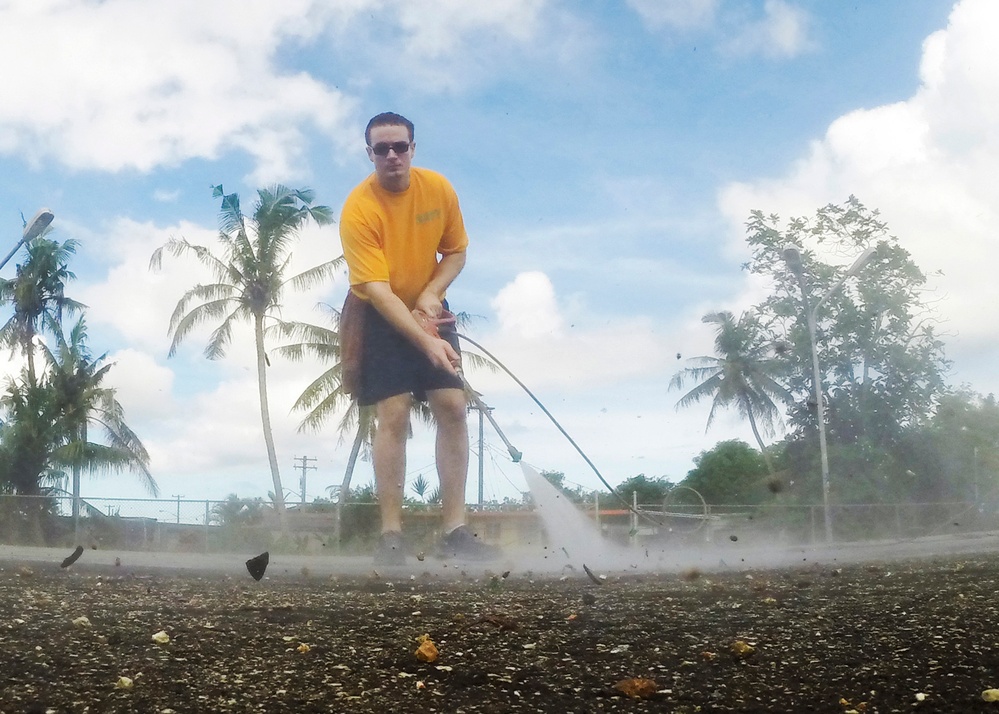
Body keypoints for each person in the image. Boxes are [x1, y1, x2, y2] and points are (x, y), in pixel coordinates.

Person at [339, 112, 500, 565]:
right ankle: (391, 534)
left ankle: (455, 531)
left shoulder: (438, 189)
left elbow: (456, 252)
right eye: (382, 149)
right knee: (393, 413)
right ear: (369, 153)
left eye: (400, 146)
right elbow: (378, 291)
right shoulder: (359, 209)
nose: (392, 155)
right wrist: (426, 340)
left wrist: (431, 294)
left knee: (453, 406)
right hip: (378, 314)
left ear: (413, 148)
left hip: (429, 307)